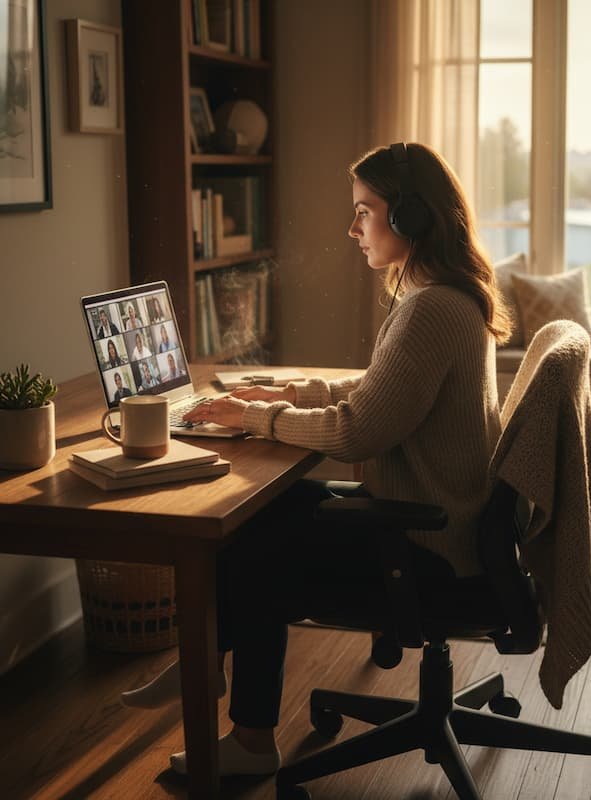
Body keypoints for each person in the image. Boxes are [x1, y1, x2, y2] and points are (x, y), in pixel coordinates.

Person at [121, 142, 512, 777]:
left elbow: (358, 432)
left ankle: (242, 729)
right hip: (442, 521)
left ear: (410, 218)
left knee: (250, 548)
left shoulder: (431, 309)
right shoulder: (440, 295)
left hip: (430, 549)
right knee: (258, 517)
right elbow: (383, 391)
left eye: (364, 211)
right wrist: (282, 393)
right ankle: (208, 663)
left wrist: (249, 417)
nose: (352, 227)